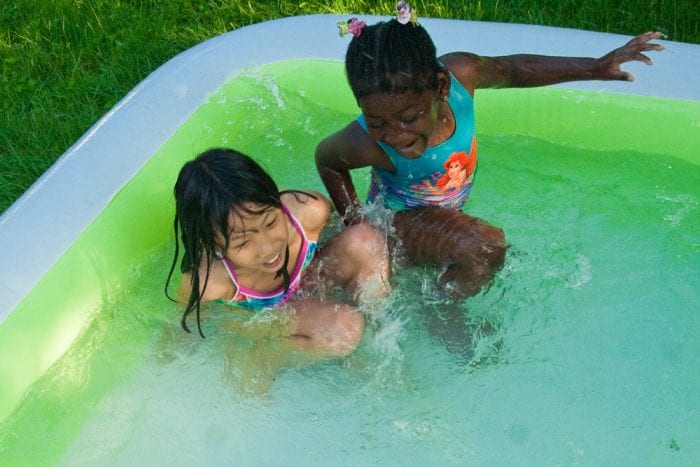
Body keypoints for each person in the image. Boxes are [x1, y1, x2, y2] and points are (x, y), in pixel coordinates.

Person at [317, 5, 665, 300]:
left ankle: (438, 289)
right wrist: (361, 224)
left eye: (409, 117)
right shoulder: (366, 142)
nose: (394, 134)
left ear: (440, 87)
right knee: (485, 246)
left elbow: (514, 70)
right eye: (377, 121)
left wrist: (593, 67)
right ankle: (443, 308)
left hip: (440, 216)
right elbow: (328, 160)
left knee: (487, 253)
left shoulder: (462, 76)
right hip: (401, 223)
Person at [165, 148, 390, 358]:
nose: (268, 247)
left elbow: (339, 239)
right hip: (264, 318)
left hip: (307, 283)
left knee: (364, 239)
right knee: (344, 327)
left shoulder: (309, 210)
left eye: (271, 223)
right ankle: (267, 358)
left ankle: (379, 328)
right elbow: (182, 325)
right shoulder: (208, 281)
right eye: (244, 241)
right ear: (214, 245)